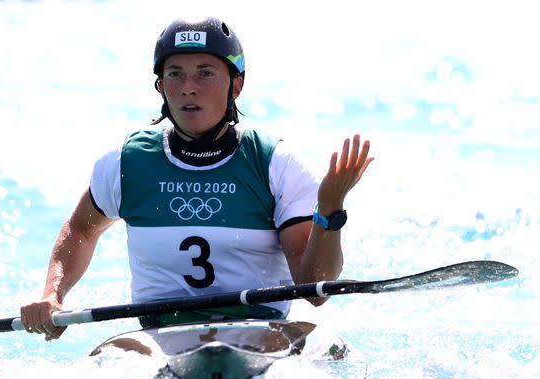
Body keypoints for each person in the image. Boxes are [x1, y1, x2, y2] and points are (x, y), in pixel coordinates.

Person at [21, 16, 373, 340]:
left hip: (259, 330)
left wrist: (329, 210)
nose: (188, 87)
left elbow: (314, 288)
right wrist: (52, 295)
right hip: (162, 336)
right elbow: (81, 231)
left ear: (236, 85)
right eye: (175, 73)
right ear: (160, 86)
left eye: (205, 72)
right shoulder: (126, 162)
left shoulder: (273, 163)